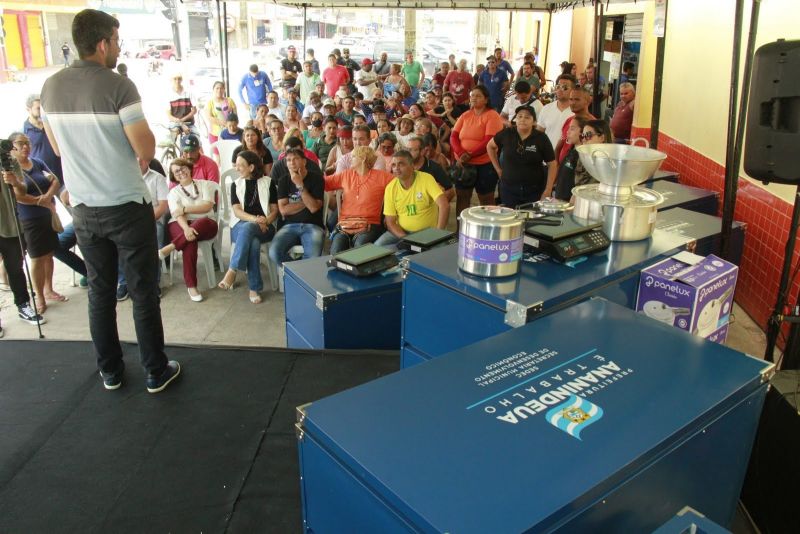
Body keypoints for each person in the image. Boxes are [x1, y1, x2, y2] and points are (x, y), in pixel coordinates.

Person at [40, 9, 179, 392]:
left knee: (100, 291)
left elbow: (55, 146)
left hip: (84, 208)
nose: (118, 48)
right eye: (116, 41)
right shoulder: (119, 86)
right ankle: (155, 370)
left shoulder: (50, 87)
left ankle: (111, 372)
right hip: (125, 206)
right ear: (102, 44)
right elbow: (146, 149)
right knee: (142, 291)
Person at [4, 133, 64, 314]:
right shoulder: (10, 169)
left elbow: (55, 180)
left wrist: (47, 197)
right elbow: (18, 195)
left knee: (49, 254)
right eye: (20, 144)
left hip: (47, 214)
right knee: (37, 257)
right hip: (29, 219)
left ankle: (49, 288)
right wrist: (40, 201)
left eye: (27, 143)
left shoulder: (37, 162)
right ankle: (40, 296)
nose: (25, 147)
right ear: (12, 147)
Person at [217, 150, 278, 303]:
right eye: (236, 165)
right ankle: (254, 288)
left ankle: (233, 270)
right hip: (241, 225)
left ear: (251, 167)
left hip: (266, 226)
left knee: (250, 231)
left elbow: (275, 210)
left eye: (240, 166)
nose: (236, 168)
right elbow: (237, 212)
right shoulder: (235, 185)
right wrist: (256, 220)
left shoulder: (268, 183)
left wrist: (266, 221)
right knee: (252, 238)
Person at [159, 158, 218, 302]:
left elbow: (207, 207)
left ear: (189, 168)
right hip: (180, 224)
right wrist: (186, 229)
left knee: (202, 221)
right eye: (176, 171)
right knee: (190, 241)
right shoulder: (173, 193)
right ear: (173, 176)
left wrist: (184, 208)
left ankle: (171, 246)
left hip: (206, 223)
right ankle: (192, 286)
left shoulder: (205, 185)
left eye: (182, 168)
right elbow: (177, 215)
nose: (181, 172)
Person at [0, 167, 47, 332]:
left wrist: (14, 182)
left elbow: (22, 189)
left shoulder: (6, 159)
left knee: (16, 269)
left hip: (10, 225)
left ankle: (23, 305)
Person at [117, 157, 169, 301]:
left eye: (141, 159)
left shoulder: (158, 178)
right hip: (129, 221)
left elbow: (163, 206)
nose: (138, 162)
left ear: (147, 161)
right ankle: (124, 283)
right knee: (117, 241)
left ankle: (154, 282)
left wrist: (145, 221)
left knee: (155, 242)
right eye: (134, 159)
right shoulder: (123, 178)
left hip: (153, 219)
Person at [325, 146, 394, 254]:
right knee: (336, 250)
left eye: (353, 156)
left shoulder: (381, 176)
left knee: (360, 248)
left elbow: (399, 187)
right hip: (345, 225)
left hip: (370, 224)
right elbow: (324, 183)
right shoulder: (346, 174)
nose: (349, 159)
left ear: (363, 159)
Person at [374, 150, 449, 247]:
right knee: (377, 248)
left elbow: (444, 205)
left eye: (401, 164)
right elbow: (390, 222)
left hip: (428, 232)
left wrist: (439, 233)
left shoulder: (426, 179)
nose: (396, 168)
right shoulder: (390, 188)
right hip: (402, 232)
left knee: (437, 253)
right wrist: (406, 239)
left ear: (412, 165)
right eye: (393, 165)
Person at [487, 105, 557, 206]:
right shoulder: (507, 134)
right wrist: (498, 169)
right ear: (515, 119)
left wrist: (548, 190)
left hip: (534, 190)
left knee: (531, 219)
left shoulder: (541, 138)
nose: (523, 119)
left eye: (527, 117)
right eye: (519, 116)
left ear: (534, 122)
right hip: (509, 189)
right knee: (510, 219)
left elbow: (552, 164)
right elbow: (490, 146)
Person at [450, 86, 504, 216]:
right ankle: (460, 231)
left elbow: (489, 140)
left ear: (486, 100)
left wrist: (470, 154)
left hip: (484, 164)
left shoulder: (493, 115)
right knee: (462, 197)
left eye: (478, 96)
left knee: (486, 199)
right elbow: (453, 136)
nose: (474, 98)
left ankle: (489, 231)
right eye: (472, 95)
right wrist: (461, 153)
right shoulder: (465, 115)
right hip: (464, 163)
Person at [268, 148, 325, 267]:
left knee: (313, 257)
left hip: (312, 225)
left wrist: (300, 185)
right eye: (288, 160)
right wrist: (307, 201)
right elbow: (283, 210)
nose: (292, 162)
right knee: (274, 252)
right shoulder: (283, 180)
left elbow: (314, 208)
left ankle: (299, 275)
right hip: (289, 226)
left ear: (304, 161)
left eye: (295, 159)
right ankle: (299, 272)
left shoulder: (317, 178)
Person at [24, 94, 62, 182]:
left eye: (43, 108)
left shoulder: (51, 124)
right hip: (43, 175)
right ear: (28, 110)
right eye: (38, 108)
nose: (42, 111)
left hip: (61, 169)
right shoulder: (24, 130)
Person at [406, 135, 455, 202]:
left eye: (412, 150)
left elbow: (451, 192)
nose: (408, 153)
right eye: (407, 149)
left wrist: (435, 204)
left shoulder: (434, 167)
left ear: (422, 151)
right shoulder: (403, 167)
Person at [553, 116, 590, 201]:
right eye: (568, 128)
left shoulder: (583, 157)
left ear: (583, 132)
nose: (567, 132)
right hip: (560, 200)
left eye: (572, 129)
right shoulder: (571, 151)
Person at [555, 86, 595, 164]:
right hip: (563, 169)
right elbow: (558, 148)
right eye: (571, 99)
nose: (573, 103)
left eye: (577, 99)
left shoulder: (592, 124)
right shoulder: (569, 120)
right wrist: (556, 167)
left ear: (588, 101)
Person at [537, 74, 576, 151]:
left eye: (564, 87)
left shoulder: (576, 112)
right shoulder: (546, 108)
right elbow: (539, 133)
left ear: (573, 90)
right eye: (558, 86)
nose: (560, 89)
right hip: (546, 157)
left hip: (566, 157)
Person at [204, 81, 237, 151]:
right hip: (214, 134)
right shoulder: (210, 103)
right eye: (217, 88)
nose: (219, 90)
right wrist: (224, 123)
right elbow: (209, 118)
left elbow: (235, 117)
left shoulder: (229, 100)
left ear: (224, 89)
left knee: (230, 154)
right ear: (213, 90)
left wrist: (230, 126)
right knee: (218, 157)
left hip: (229, 133)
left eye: (221, 88)